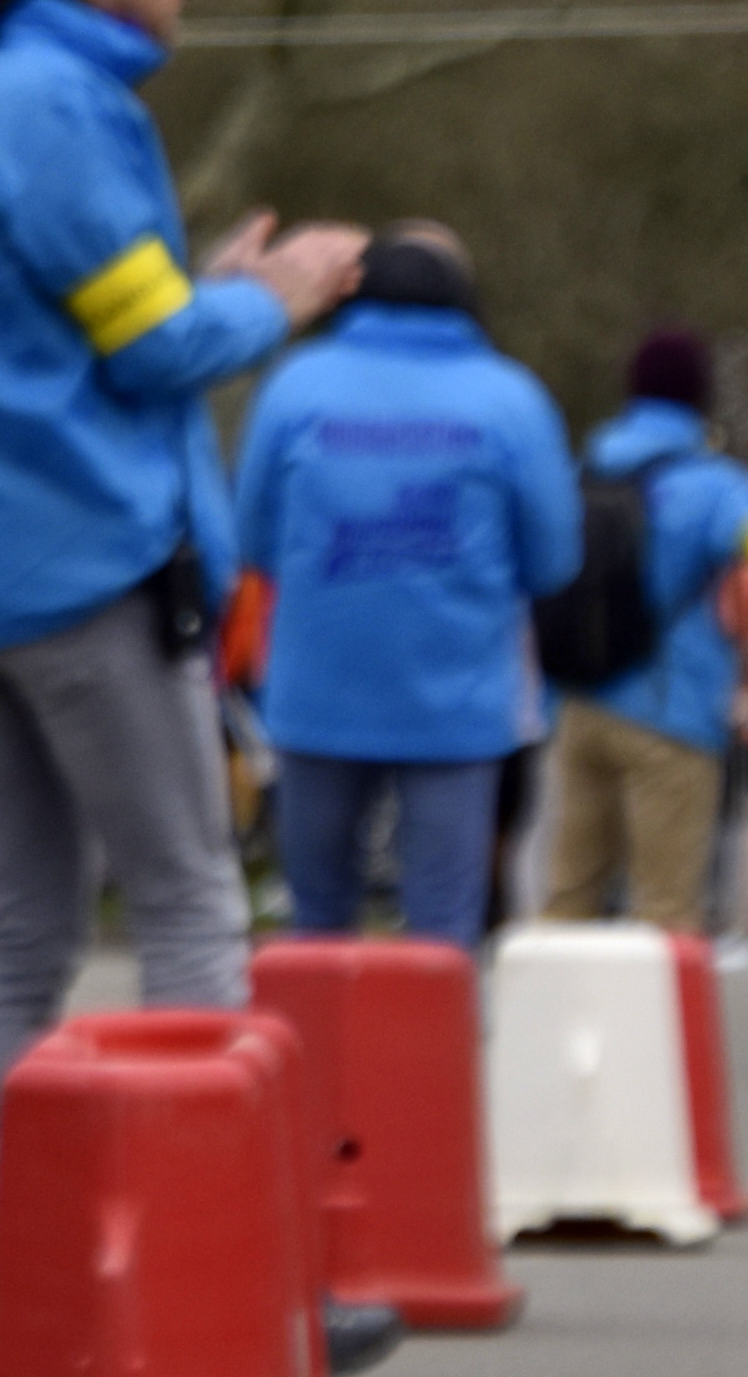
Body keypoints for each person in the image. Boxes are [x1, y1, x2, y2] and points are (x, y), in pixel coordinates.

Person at [0, 0, 368, 1377]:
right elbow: (153, 354)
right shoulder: (63, 100)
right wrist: (278, 296)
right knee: (192, 905)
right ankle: (224, 1279)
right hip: (86, 560)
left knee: (19, 942)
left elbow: (87, 319)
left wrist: (201, 284)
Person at [230, 224, 577, 947]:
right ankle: (437, 1026)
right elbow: (552, 560)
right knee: (442, 931)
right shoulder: (510, 398)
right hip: (456, 704)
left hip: (317, 695)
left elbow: (252, 539)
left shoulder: (294, 384)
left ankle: (320, 1024)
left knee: (318, 920)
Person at [541, 327, 748, 930]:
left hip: (578, 707)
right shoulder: (717, 487)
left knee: (569, 899)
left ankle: (554, 994)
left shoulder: (582, 468)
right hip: (673, 713)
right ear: (700, 395)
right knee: (666, 910)